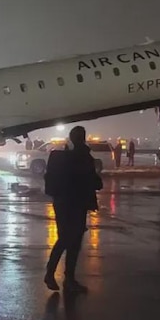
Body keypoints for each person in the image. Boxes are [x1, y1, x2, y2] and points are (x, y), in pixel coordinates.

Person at [43, 125, 103, 292]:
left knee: (65, 239)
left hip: (62, 203)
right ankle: (61, 276)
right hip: (76, 204)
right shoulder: (83, 156)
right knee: (72, 241)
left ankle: (61, 276)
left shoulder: (61, 157)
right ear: (83, 138)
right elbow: (95, 182)